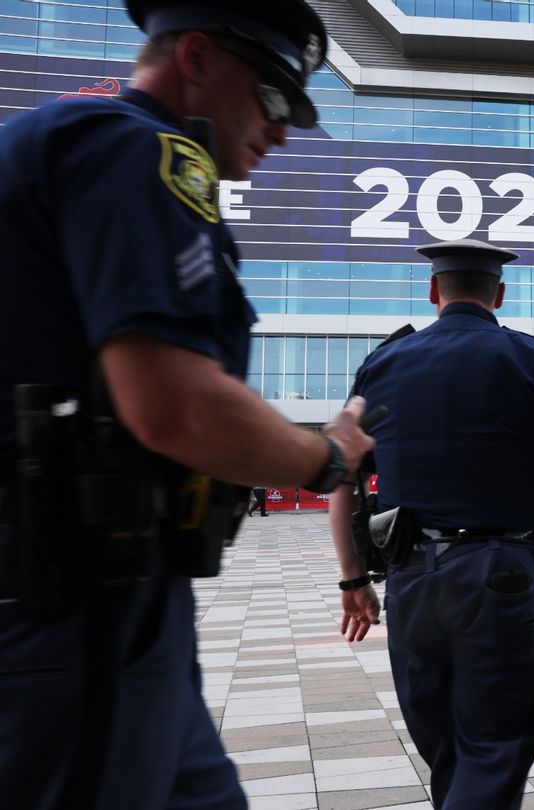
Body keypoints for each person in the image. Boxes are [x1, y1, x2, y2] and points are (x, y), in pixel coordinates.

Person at [0, 3, 377, 808]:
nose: (283, 132)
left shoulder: (65, 144)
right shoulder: (138, 151)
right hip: (68, 597)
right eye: (274, 99)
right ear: (197, 59)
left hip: (112, 591)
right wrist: (329, 456)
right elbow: (173, 408)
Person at [327, 239, 534, 809]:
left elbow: (341, 479)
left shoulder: (381, 364)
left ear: (434, 290)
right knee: (494, 747)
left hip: (411, 581)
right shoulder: (532, 358)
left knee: (448, 751)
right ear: (500, 295)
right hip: (501, 580)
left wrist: (352, 581)